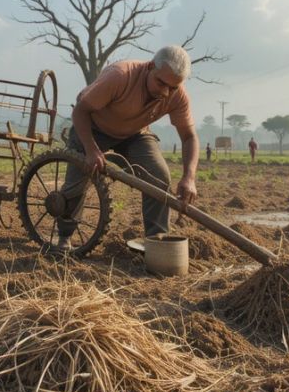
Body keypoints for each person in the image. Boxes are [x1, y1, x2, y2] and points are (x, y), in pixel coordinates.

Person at [57, 45, 199, 251]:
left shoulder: (177, 96)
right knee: (77, 180)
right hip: (93, 127)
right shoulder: (120, 76)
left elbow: (189, 137)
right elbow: (81, 110)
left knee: (158, 176)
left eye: (173, 87)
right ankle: (64, 236)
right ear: (150, 67)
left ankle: (157, 241)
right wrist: (91, 149)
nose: (165, 92)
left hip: (135, 133)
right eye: (161, 83)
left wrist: (189, 177)